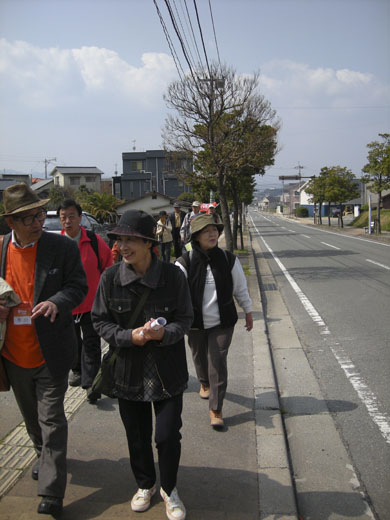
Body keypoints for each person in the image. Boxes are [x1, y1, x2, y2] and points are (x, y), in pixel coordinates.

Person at [91, 209, 193, 520]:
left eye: (131, 239)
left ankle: (169, 489)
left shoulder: (173, 276)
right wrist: (127, 337)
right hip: (128, 373)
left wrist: (164, 334)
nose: (123, 245)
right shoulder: (110, 279)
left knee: (166, 435)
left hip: (167, 372)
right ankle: (145, 484)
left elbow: (186, 319)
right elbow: (99, 320)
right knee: (136, 436)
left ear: (149, 243)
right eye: (120, 239)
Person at [0, 183, 87, 516]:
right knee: (33, 420)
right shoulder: (0, 250)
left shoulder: (60, 248)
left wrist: (55, 301)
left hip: (51, 351)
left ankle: (51, 491)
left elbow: (78, 286)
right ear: (11, 223)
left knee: (52, 419)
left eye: (40, 214)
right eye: (28, 218)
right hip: (12, 354)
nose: (38, 222)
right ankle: (43, 455)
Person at [176, 214, 253, 429]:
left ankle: (216, 408)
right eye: (205, 231)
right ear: (196, 237)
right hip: (195, 323)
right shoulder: (184, 262)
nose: (212, 234)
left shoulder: (229, 259)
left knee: (217, 362)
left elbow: (240, 288)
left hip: (223, 322)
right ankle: (204, 382)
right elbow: (174, 292)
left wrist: (248, 310)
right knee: (199, 356)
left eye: (214, 230)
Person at [58, 199, 113, 402]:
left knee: (91, 343)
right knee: (72, 343)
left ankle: (91, 383)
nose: (67, 221)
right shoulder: (56, 244)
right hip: (67, 305)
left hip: (92, 303)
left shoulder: (93, 240)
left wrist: (105, 292)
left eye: (71, 216)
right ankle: (78, 370)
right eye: (63, 217)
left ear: (80, 218)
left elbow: (108, 264)